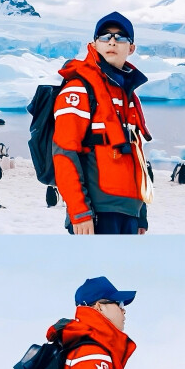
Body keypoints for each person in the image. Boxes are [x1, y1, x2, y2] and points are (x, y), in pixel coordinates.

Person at [52, 12, 152, 235]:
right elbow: (64, 153)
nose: (113, 42)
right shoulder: (79, 89)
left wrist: (141, 215)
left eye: (121, 37)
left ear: (131, 48)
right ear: (94, 44)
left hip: (129, 215)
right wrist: (79, 212)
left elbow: (136, 158)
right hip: (97, 214)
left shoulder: (127, 96)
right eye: (105, 37)